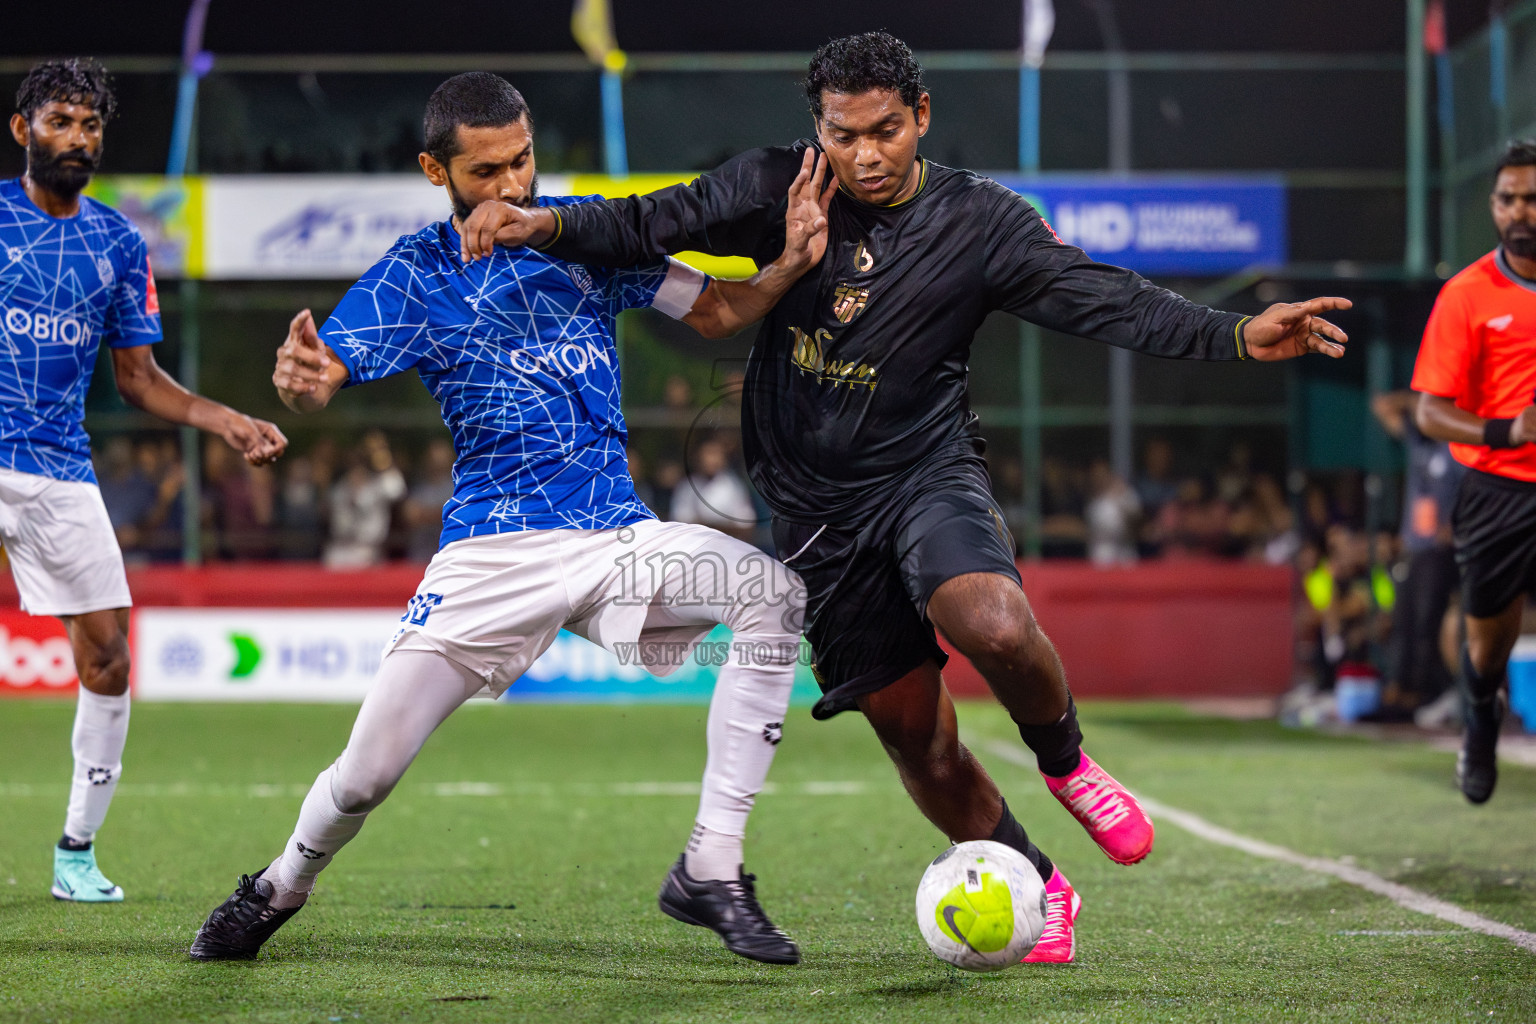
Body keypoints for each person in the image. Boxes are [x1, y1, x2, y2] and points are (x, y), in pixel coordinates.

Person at [461, 32, 1351, 963]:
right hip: (813, 515)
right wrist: (544, 223)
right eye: (844, 135)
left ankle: (1069, 766)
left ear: (920, 117)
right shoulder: (778, 188)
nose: (866, 155)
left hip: (926, 473)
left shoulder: (982, 224)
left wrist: (1240, 334)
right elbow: (652, 219)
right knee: (916, 739)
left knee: (994, 624)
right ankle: (1041, 886)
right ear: (821, 129)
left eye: (885, 131)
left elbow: (1105, 297)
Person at [190, 72, 832, 964]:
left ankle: (711, 866)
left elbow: (719, 309)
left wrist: (792, 266)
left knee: (773, 594)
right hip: (492, 554)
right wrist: (302, 377)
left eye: (522, 161)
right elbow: (323, 372)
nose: (512, 186)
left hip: (616, 537)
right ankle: (279, 885)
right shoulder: (415, 274)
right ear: (434, 170)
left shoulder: (586, 237)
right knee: (365, 777)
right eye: (486, 171)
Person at [2, 59, 287, 903]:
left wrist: (225, 419)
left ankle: (75, 853)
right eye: (60, 121)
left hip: (57, 469)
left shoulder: (121, 243)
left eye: (90, 125)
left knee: (109, 660)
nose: (78, 138)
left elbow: (139, 378)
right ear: (24, 130)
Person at [1411, 139, 1536, 803]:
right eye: (1508, 199)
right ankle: (1481, 714)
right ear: (1493, 207)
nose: (1520, 211)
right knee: (1487, 647)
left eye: (1532, 199)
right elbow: (1431, 413)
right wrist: (1508, 429)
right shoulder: (1468, 293)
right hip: (1499, 489)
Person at [1369, 390, 1465, 720]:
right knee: (1403, 620)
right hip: (1415, 548)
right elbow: (1381, 406)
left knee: (1428, 622)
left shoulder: (1456, 450)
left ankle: (1422, 692)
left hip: (1440, 553)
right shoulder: (1419, 444)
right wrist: (1417, 402)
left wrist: (1453, 527)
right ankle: (1399, 689)